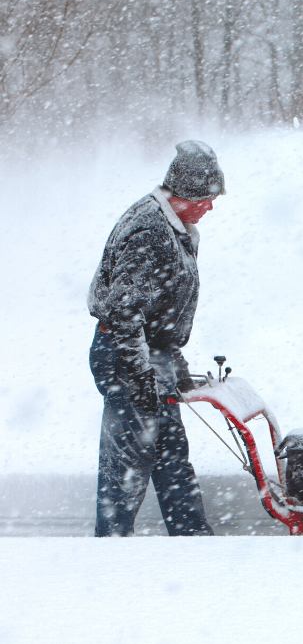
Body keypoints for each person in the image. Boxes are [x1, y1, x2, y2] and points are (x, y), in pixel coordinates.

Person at [88, 141, 225, 536]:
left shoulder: (174, 227)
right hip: (126, 354)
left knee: (171, 459)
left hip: (150, 355)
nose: (211, 206)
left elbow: (160, 313)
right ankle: (111, 551)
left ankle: (193, 542)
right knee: (126, 469)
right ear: (186, 192)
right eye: (209, 198)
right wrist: (140, 376)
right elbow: (124, 311)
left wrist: (174, 367)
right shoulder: (150, 229)